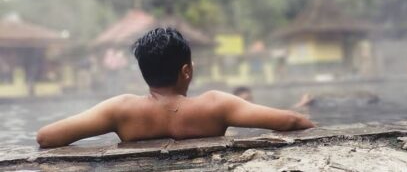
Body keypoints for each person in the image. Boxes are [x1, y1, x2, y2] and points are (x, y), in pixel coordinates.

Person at [36, 28, 314, 148]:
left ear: (144, 72)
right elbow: (292, 121)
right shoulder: (216, 105)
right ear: (187, 70)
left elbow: (47, 137)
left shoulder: (121, 109)